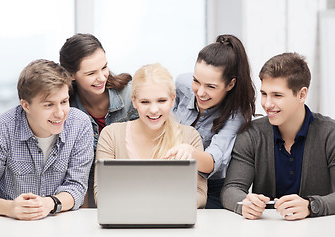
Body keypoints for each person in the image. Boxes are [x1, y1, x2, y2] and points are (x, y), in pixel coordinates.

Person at [0, 59, 94, 220]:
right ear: (26, 105)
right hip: (7, 225)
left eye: (64, 102)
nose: (60, 113)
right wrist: (10, 208)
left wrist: (50, 203)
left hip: (59, 224)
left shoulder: (80, 124)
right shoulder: (0, 129)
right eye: (48, 105)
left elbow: (77, 186)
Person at [221, 52, 335, 220]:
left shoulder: (330, 134)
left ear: (302, 94)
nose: (267, 104)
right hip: (266, 231)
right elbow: (230, 189)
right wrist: (245, 202)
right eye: (264, 94)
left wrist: (311, 206)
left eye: (277, 95)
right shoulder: (252, 134)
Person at [94, 63, 207, 208]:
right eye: (145, 102)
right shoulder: (111, 135)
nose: (154, 110)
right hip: (125, 225)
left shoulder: (190, 137)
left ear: (173, 99)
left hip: (174, 225)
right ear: (134, 101)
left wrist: (152, 205)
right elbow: (102, 195)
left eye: (161, 100)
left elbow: (200, 194)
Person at [171, 34, 256, 208]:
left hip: (211, 189)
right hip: (172, 181)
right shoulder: (182, 84)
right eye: (196, 81)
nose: (200, 92)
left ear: (230, 85)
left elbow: (212, 161)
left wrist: (189, 152)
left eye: (211, 86)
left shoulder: (236, 114)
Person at [59, 33, 138, 207]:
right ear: (71, 75)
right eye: (91, 73)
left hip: (132, 189)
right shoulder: (64, 110)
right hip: (83, 195)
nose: (102, 77)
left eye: (104, 67)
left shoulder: (133, 98)